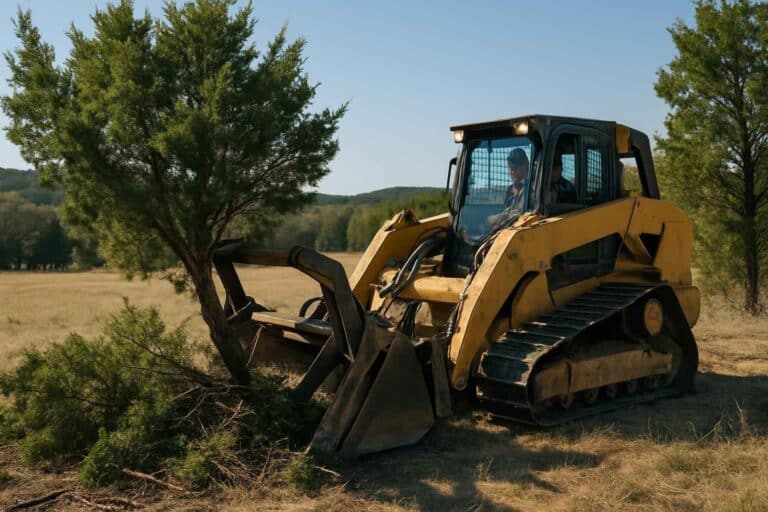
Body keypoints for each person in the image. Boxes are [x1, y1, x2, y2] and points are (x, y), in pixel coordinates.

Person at [488, 148, 529, 228]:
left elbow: (520, 214)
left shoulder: (531, 189)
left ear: (525, 165)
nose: (511, 171)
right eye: (510, 167)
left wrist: (497, 218)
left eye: (515, 167)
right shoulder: (510, 190)